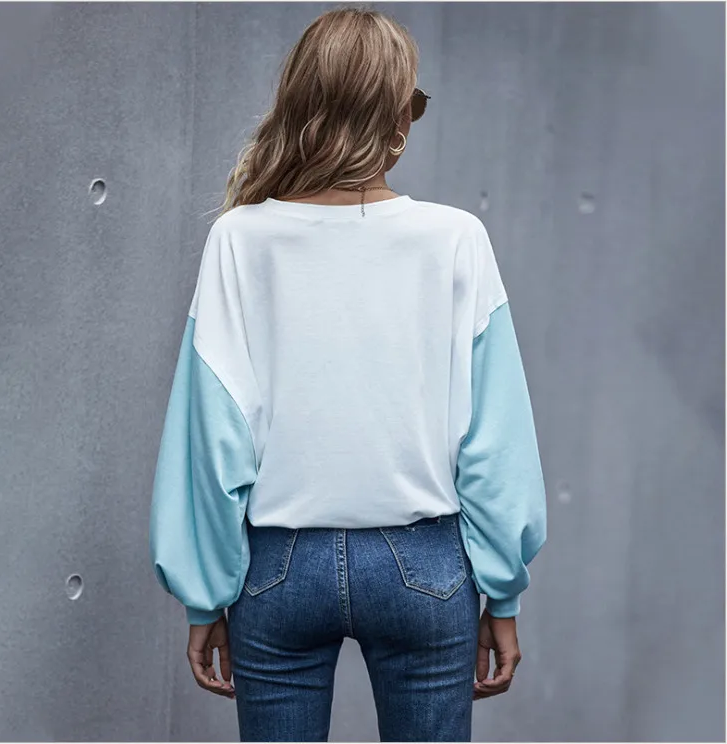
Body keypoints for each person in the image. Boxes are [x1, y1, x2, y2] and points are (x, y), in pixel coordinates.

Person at [148, 6, 547, 742]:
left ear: (300, 104)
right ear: (396, 120)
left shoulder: (239, 239)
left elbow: (212, 436)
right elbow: (494, 442)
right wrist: (504, 591)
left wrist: (205, 596)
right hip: (426, 566)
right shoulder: (456, 239)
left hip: (277, 569)